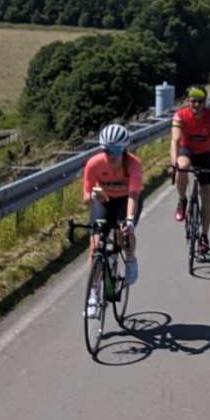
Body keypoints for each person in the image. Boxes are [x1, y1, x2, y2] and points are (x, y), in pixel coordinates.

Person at [82, 123, 143, 315]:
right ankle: (93, 293)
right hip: (104, 201)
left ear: (124, 149)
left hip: (126, 201)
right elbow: (85, 198)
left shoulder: (133, 165)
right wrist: (94, 194)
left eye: (116, 151)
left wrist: (130, 220)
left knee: (124, 232)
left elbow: (133, 195)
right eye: (107, 150)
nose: (111, 155)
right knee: (94, 247)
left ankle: (130, 259)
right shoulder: (94, 164)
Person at [170, 86, 210, 253]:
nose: (196, 105)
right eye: (193, 101)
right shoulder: (180, 116)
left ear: (205, 102)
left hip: (206, 154)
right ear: (188, 101)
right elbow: (175, 141)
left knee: (206, 196)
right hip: (186, 150)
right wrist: (173, 164)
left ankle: (204, 236)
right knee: (182, 167)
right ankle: (182, 200)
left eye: (200, 102)